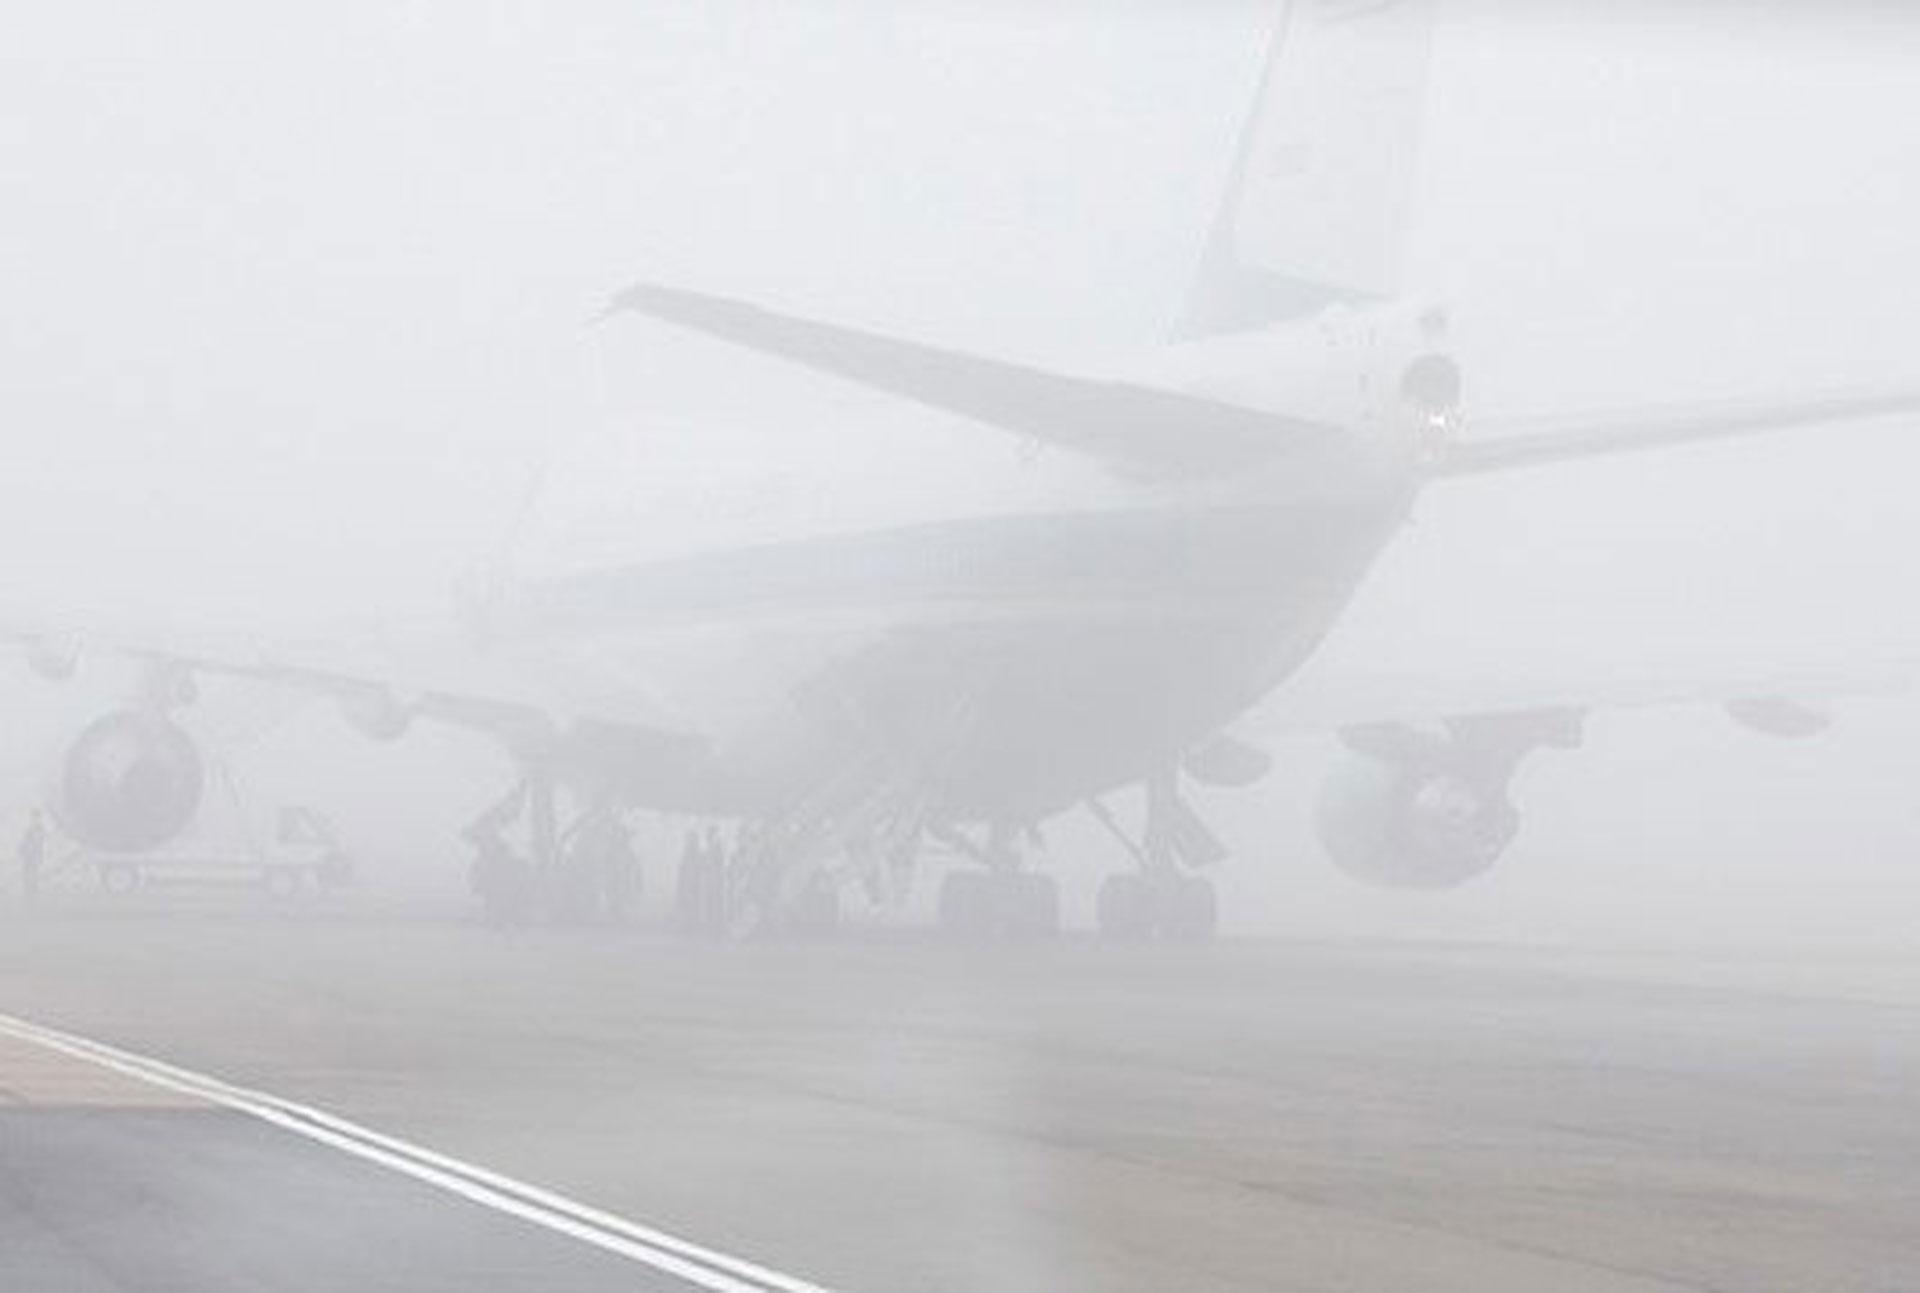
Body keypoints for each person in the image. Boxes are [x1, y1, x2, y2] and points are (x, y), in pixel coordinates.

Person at [17, 810, 46, 907]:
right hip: (29, 856)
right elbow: (25, 843)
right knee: (29, 875)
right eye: (34, 817)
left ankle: (31, 895)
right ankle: (29, 895)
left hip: (32, 856)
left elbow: (38, 844)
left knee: (32, 874)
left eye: (36, 817)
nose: (34, 819)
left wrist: (38, 854)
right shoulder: (32, 830)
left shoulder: (38, 829)